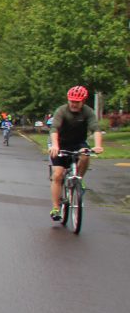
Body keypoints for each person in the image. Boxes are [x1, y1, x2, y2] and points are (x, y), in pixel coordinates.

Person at [47, 86, 105, 221]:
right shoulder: (62, 110)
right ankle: (56, 208)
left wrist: (98, 146)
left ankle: (78, 179)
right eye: (71, 101)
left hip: (78, 143)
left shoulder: (88, 112)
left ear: (83, 101)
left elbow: (95, 129)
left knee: (85, 155)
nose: (73, 104)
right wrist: (55, 145)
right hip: (60, 142)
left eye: (77, 102)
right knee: (58, 175)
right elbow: (54, 128)